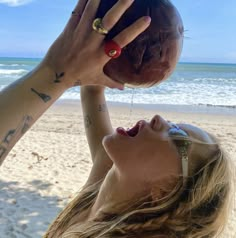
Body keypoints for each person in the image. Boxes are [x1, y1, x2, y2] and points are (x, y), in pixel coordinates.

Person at [0, 0, 232, 238]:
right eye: (173, 125)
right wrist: (97, 61)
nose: (158, 119)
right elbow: (92, 89)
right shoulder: (106, 192)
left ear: (165, 191)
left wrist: (55, 71)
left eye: (177, 136)